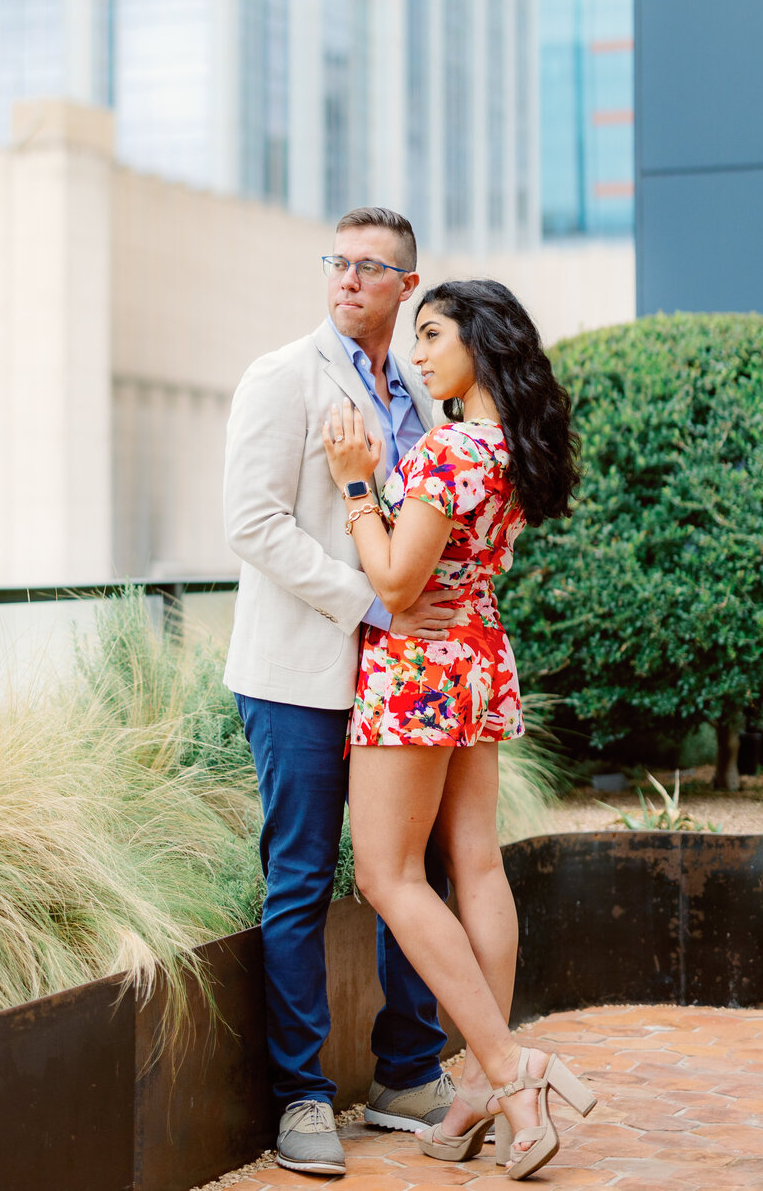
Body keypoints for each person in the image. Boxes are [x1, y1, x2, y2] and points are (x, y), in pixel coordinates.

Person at [322, 278, 595, 1183]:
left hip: (419, 665)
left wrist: (359, 485)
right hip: (480, 654)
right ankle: (487, 1076)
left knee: (388, 874)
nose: (422, 351)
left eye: (435, 334)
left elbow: (397, 585)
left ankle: (510, 1072)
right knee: (475, 859)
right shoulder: (513, 449)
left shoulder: (446, 450)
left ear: (481, 340)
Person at [223, 208, 462, 1178]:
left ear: (409, 286)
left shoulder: (419, 388)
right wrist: (370, 602)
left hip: (399, 682)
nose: (349, 277)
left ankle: (407, 1070)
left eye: (373, 267)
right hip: (300, 676)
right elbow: (251, 522)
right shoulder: (282, 376)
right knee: (300, 880)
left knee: (413, 869)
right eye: (340, 261)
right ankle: (302, 1097)